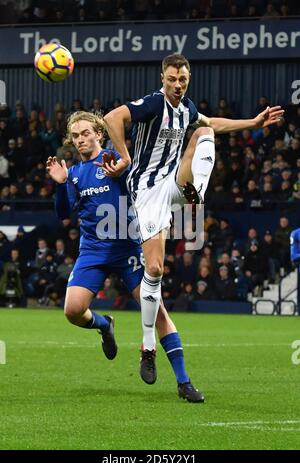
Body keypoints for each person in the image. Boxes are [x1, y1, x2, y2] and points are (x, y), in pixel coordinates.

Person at [103, 53, 284, 381]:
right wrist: (124, 155)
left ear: (188, 79)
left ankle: (195, 191)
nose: (176, 84)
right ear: (163, 78)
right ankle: (147, 348)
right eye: (171, 78)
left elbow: (213, 122)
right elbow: (113, 117)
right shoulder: (153, 104)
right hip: (145, 191)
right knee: (155, 269)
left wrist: (253, 123)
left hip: (174, 185)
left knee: (203, 133)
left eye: (182, 79)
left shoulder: (186, 109)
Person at [46, 111, 204, 403]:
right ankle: (105, 326)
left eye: (86, 133)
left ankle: (184, 382)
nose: (81, 139)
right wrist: (59, 183)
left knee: (158, 313)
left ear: (99, 134)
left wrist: (123, 172)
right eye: (76, 135)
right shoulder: (75, 174)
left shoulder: (118, 160)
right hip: (93, 251)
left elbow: (144, 187)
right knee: (72, 311)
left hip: (128, 249)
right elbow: (62, 214)